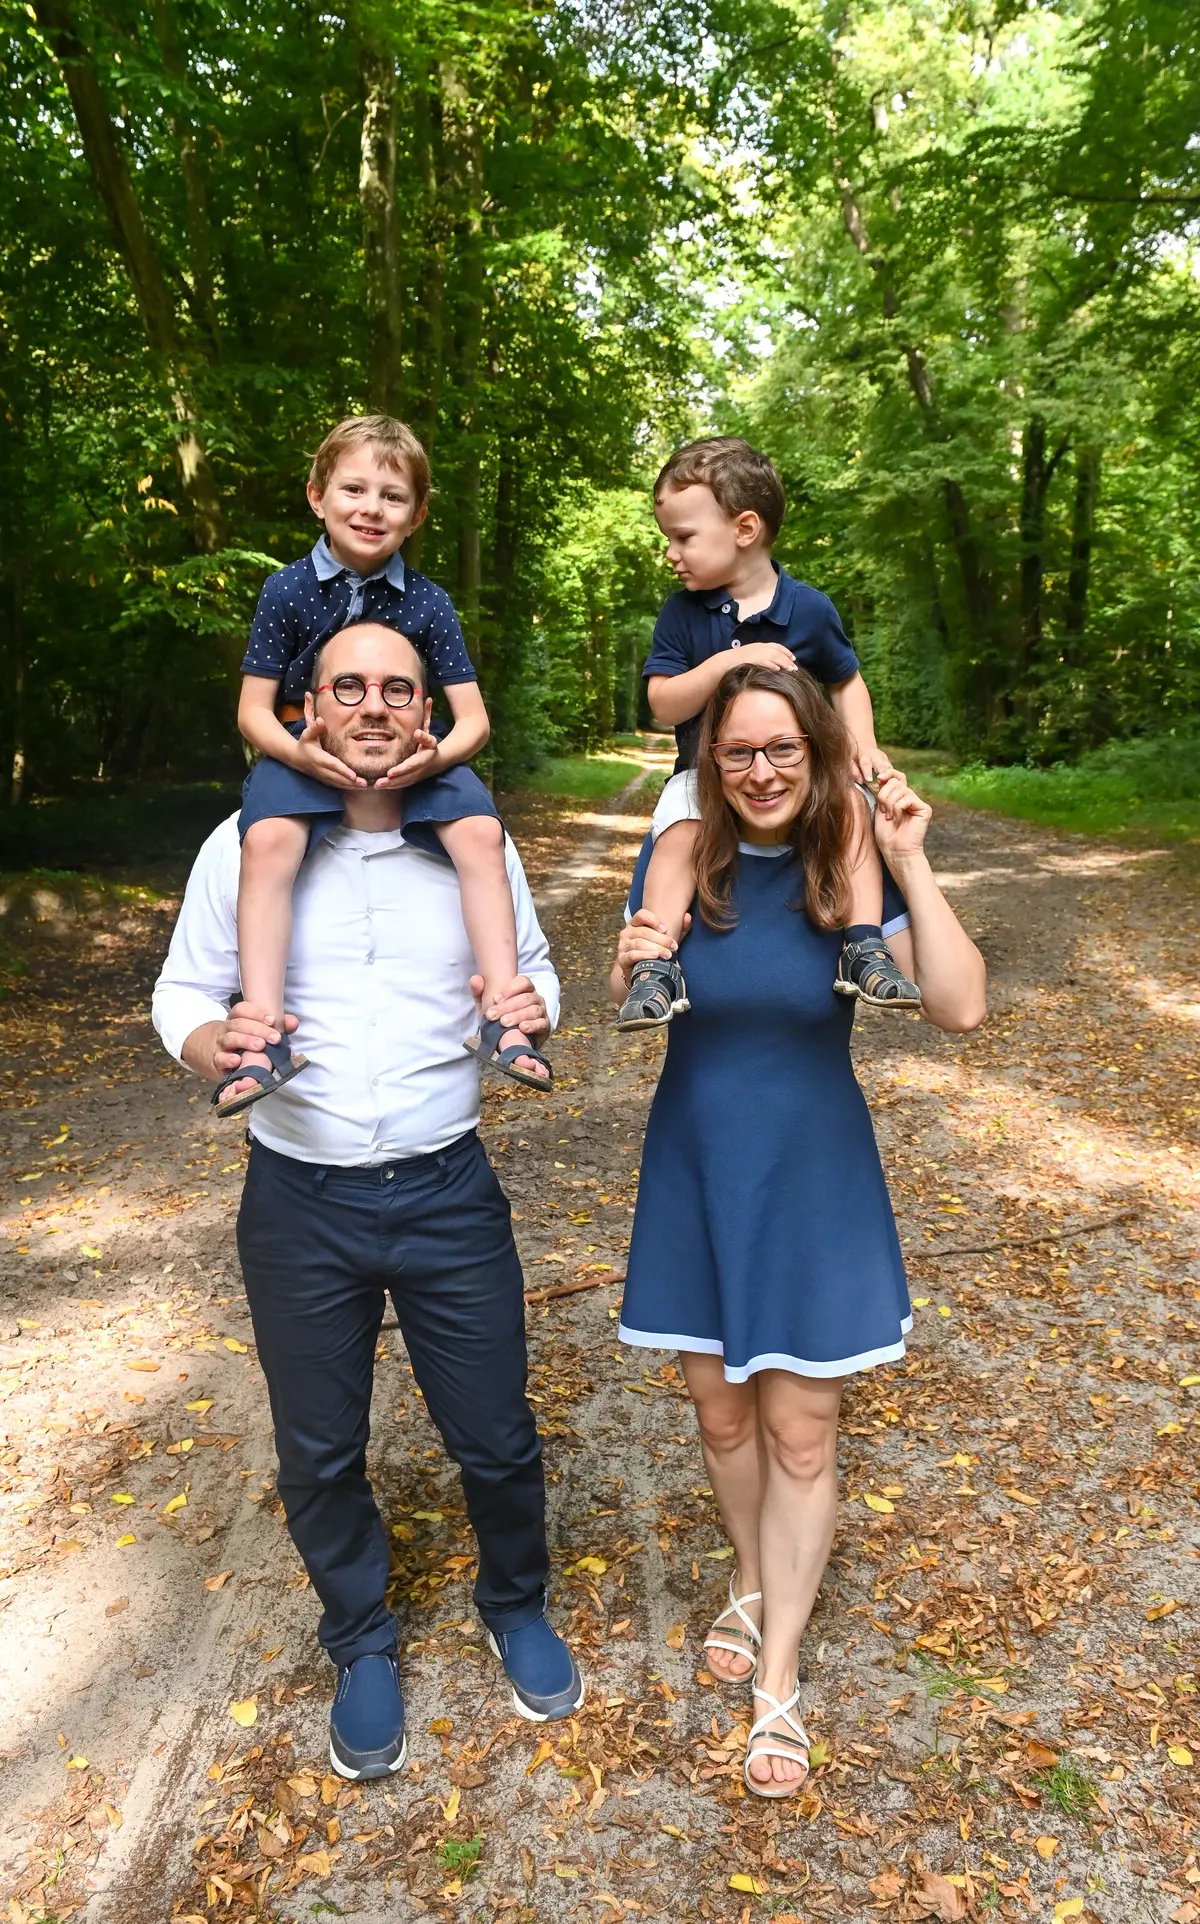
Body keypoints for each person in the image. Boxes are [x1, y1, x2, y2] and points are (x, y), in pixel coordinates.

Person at [152, 619, 583, 1781]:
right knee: (318, 1448)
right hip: (299, 1198)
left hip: (449, 1186)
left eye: (401, 686)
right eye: (350, 686)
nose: (378, 704)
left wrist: (532, 1005)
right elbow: (182, 992)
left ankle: (515, 1602)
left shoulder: (471, 845)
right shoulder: (245, 843)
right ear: (309, 710)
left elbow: (532, 967)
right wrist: (213, 1043)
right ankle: (361, 1639)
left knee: (495, 1432)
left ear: (429, 712)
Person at [610, 661, 986, 1799]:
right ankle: (751, 1573)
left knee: (803, 1435)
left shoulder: (850, 864)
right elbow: (635, 976)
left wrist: (914, 855)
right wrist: (629, 956)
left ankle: (778, 1676)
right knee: (724, 1421)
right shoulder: (684, 858)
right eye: (739, 752)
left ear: (817, 754)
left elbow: (962, 1004)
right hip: (699, 1169)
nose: (763, 771)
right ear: (711, 765)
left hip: (814, 1177)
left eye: (785, 749)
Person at [227, 412, 549, 1114]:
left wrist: (431, 763)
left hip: (413, 754)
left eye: (392, 496)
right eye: (353, 490)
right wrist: (302, 759)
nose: (371, 509)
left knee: (481, 833)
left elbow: (475, 721)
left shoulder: (428, 603)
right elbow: (252, 711)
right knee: (270, 839)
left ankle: (503, 1012)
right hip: (301, 746)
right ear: (317, 496)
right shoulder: (286, 591)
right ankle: (262, 1034)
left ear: (418, 514)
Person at [616, 435, 921, 1031]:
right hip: (708, 779)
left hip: (796, 778)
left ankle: (863, 943)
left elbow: (846, 681)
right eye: (667, 539)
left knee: (851, 805)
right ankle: (655, 962)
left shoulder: (809, 609)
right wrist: (729, 661)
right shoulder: (683, 611)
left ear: (745, 528)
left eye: (683, 537)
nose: (671, 554)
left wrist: (863, 744)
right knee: (678, 815)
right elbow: (661, 703)